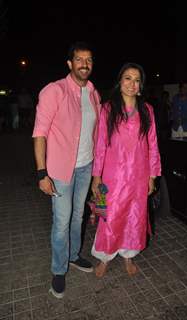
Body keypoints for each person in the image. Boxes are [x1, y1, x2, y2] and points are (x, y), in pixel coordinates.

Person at [32, 41, 101, 298]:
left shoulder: (94, 93)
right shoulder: (54, 91)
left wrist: (98, 169)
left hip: (86, 165)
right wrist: (41, 173)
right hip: (60, 169)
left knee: (78, 216)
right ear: (70, 63)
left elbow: (96, 134)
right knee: (61, 222)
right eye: (80, 59)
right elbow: (39, 133)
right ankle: (59, 270)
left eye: (89, 60)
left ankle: (73, 256)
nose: (85, 64)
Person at [91, 62, 161, 278]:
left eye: (136, 80)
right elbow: (100, 144)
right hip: (112, 176)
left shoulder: (147, 110)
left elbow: (153, 145)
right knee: (107, 215)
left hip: (138, 176)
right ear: (120, 82)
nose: (132, 83)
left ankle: (128, 256)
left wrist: (152, 176)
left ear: (140, 86)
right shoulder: (108, 109)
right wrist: (96, 176)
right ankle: (104, 256)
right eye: (128, 78)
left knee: (134, 216)